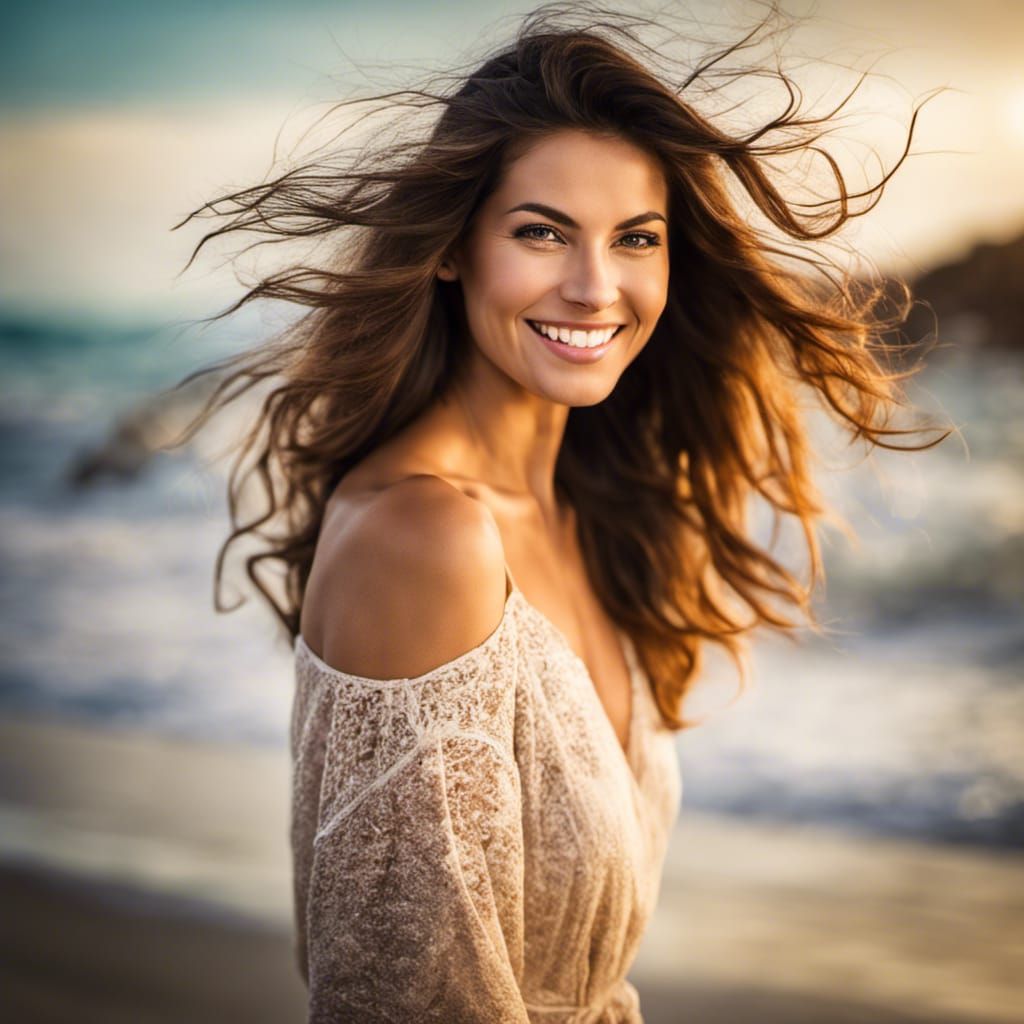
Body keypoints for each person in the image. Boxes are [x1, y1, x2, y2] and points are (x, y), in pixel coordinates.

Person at [172, 3, 947, 1020]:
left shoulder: (589, 507)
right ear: (452, 249)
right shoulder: (424, 536)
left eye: (635, 238)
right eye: (541, 233)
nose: (593, 287)